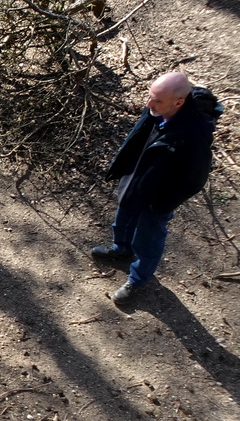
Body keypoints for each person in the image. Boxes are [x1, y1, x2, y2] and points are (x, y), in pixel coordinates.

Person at [91, 71, 222, 304]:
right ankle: (121, 249)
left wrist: (161, 204)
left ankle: (137, 280)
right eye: (149, 96)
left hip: (157, 198)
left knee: (148, 239)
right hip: (136, 181)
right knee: (123, 218)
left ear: (178, 102)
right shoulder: (157, 109)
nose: (148, 103)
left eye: (157, 100)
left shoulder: (193, 134)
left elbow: (194, 179)